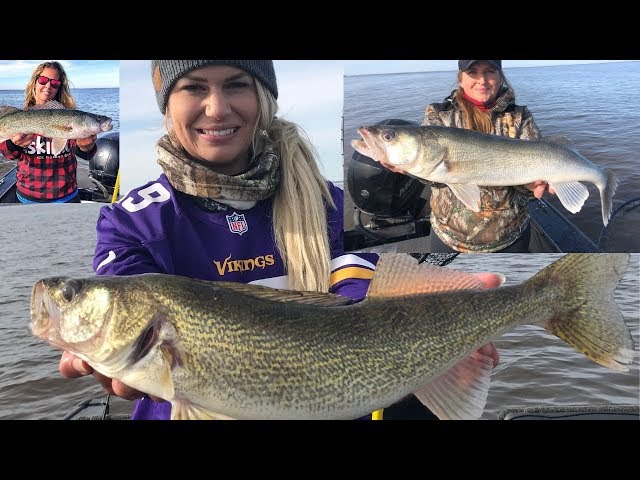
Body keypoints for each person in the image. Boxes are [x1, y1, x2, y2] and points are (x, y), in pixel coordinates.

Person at [58, 60, 501, 420]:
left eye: (236, 85)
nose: (216, 108)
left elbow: (360, 298)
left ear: (263, 99)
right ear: (166, 105)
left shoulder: (329, 202)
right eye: (193, 88)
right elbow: (130, 299)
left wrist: (446, 338)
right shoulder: (132, 221)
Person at [422, 60, 556, 253]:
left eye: (490, 72)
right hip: (449, 239)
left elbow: (528, 190)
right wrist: (408, 168)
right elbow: (434, 178)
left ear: (500, 76)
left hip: (510, 239)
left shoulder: (520, 116)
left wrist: (530, 186)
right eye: (473, 72)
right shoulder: (439, 115)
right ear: (460, 78)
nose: (482, 80)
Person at [0, 61, 97, 203]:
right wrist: (15, 145)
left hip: (66, 194)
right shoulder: (20, 114)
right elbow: (9, 154)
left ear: (59, 87)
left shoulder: (69, 117)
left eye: (54, 83)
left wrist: (86, 146)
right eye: (43, 80)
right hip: (28, 194)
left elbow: (85, 154)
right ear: (35, 82)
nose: (48, 86)